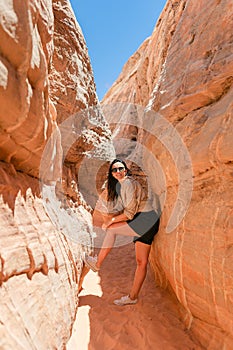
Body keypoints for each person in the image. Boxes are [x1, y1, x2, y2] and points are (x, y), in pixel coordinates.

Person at [84, 159, 160, 306]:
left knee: (111, 230)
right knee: (141, 262)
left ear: (125, 170)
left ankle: (97, 263)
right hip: (148, 221)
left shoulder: (128, 183)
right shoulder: (123, 185)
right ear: (111, 174)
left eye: (120, 169)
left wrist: (110, 221)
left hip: (145, 219)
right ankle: (132, 297)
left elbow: (129, 213)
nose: (118, 172)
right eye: (114, 170)